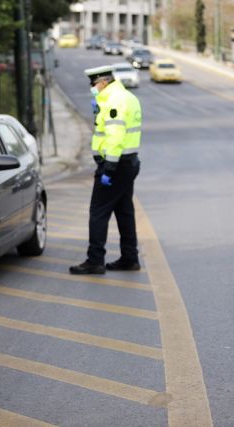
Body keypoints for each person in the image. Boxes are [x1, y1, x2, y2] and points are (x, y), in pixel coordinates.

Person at [70, 65, 142, 275]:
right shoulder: (126, 97)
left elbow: (115, 137)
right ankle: (130, 258)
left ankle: (95, 260)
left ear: (103, 82)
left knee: (98, 212)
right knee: (124, 211)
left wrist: (108, 169)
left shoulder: (114, 101)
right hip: (129, 162)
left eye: (94, 84)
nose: (93, 88)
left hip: (116, 164)